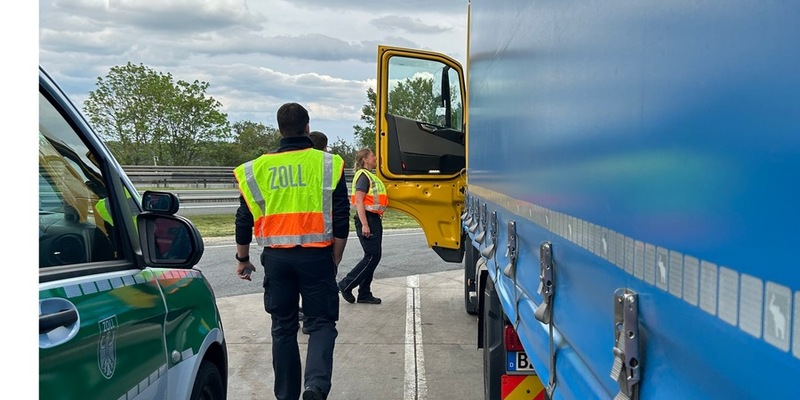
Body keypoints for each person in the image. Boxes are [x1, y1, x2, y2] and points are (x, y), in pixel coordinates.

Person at [233, 103, 349, 400]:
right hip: (317, 255)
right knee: (322, 323)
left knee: (283, 327)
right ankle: (315, 387)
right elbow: (340, 217)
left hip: (276, 258)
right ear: (308, 127)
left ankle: (286, 395)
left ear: (279, 129)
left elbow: (244, 218)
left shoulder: (255, 169)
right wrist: (334, 258)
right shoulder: (328, 163)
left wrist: (243, 259)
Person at [337, 148, 388, 305]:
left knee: (374, 256)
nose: (375, 158)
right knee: (372, 256)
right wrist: (365, 224)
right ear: (365, 159)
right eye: (372, 155)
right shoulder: (364, 177)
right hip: (368, 219)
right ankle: (346, 284)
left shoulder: (370, 176)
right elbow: (359, 201)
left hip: (373, 218)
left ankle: (364, 293)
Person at [298, 130, 329, 334]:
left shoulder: (297, 167)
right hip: (318, 240)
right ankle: (311, 319)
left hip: (286, 239)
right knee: (316, 291)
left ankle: (300, 313)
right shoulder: (326, 167)